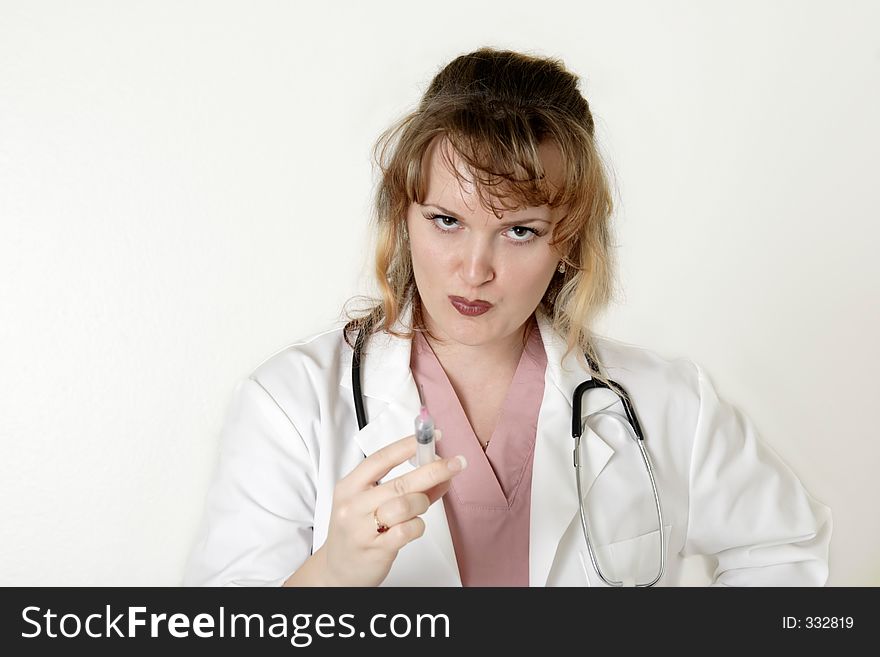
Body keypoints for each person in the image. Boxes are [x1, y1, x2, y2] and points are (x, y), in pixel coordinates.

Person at [183, 47, 832, 587]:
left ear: (570, 239)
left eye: (520, 230)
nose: (474, 270)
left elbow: (783, 550)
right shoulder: (289, 405)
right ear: (403, 215)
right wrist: (333, 570)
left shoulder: (666, 402)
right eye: (446, 220)